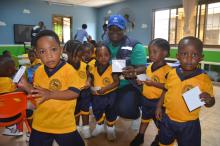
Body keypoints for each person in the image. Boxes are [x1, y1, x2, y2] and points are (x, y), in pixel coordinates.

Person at [18, 30, 85, 146]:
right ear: (37, 54)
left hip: (64, 125)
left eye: (53, 49)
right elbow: (38, 94)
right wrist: (26, 86)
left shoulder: (69, 71)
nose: (49, 55)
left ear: (61, 49)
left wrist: (50, 94)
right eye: (43, 51)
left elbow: (74, 93)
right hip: (41, 123)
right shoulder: (38, 71)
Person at [156, 36, 215, 146]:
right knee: (164, 142)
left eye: (194, 55)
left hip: (190, 125)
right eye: (184, 54)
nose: (189, 59)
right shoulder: (172, 73)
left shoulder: (203, 78)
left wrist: (209, 100)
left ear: (201, 57)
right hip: (168, 120)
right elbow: (165, 90)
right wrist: (159, 106)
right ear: (177, 56)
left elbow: (211, 103)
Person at [130, 38, 172, 146]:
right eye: (149, 52)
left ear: (164, 53)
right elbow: (147, 80)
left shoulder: (168, 71)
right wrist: (141, 82)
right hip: (146, 100)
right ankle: (140, 136)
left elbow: (167, 87)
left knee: (161, 124)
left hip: (159, 103)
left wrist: (152, 83)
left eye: (154, 52)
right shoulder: (149, 67)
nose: (151, 55)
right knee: (144, 118)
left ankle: (159, 138)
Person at [104, 14, 147, 119]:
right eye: (111, 28)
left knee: (125, 110)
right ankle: (111, 119)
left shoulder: (135, 46)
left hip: (128, 84)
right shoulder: (103, 45)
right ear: (107, 30)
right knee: (100, 102)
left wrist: (134, 71)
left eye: (118, 29)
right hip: (107, 83)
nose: (114, 32)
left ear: (125, 30)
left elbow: (142, 68)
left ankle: (136, 113)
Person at [90, 43, 119, 141]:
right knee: (97, 110)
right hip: (97, 95)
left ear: (110, 56)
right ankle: (99, 126)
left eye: (106, 55)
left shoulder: (113, 68)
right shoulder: (93, 68)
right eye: (100, 56)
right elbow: (90, 81)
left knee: (111, 111)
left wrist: (105, 89)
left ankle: (111, 129)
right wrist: (91, 88)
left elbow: (116, 82)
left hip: (111, 95)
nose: (103, 58)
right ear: (96, 57)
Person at [64, 40, 92, 139]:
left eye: (79, 56)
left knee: (85, 111)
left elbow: (89, 76)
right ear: (67, 55)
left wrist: (88, 82)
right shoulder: (65, 67)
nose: (77, 59)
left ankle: (86, 128)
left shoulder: (84, 65)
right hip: (72, 94)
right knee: (74, 112)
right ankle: (75, 129)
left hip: (84, 92)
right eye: (74, 56)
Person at [0, 55, 23, 136]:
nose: (16, 68)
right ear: (10, 71)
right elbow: (13, 97)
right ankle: (29, 134)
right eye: (15, 67)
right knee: (29, 109)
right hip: (12, 115)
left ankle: (10, 128)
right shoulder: (8, 81)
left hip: (1, 116)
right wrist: (21, 89)